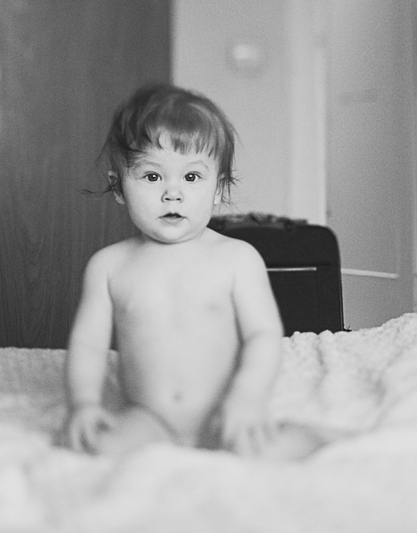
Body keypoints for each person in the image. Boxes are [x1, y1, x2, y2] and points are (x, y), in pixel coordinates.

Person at [63, 84, 324, 459]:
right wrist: (84, 403)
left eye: (191, 177)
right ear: (118, 187)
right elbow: (88, 345)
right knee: (96, 448)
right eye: (152, 177)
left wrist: (247, 398)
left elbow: (264, 335)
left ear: (218, 189)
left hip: (222, 415)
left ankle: (331, 439)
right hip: (148, 419)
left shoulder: (237, 258)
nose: (173, 193)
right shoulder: (109, 266)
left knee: (274, 449)